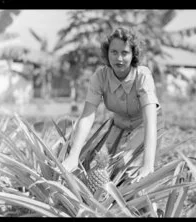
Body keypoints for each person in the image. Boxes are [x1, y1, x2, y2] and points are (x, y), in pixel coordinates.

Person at [62, 27, 164, 182]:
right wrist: (73, 156)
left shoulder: (143, 76)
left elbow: (150, 121)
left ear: (133, 55)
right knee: (107, 166)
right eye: (114, 52)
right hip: (119, 124)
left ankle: (150, 205)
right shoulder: (100, 76)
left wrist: (147, 164)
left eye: (125, 53)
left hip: (145, 125)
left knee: (131, 168)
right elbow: (87, 117)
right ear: (107, 53)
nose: (119, 58)